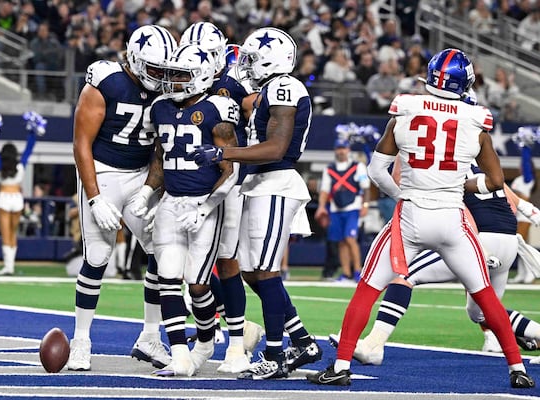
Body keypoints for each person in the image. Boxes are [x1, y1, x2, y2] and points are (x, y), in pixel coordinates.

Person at [306, 48, 535, 389]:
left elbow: (377, 171)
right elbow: (495, 182)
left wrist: (402, 195)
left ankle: (341, 365)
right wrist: (461, 184)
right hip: (453, 218)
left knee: (368, 288)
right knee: (484, 294)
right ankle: (517, 368)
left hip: (411, 215)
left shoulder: (406, 108)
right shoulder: (476, 120)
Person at [191, 27, 322, 380]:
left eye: (251, 57)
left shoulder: (285, 87)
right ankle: (303, 341)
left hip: (276, 182)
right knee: (251, 272)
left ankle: (276, 355)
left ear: (271, 58)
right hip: (260, 183)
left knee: (265, 271)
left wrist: (224, 152)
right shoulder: (268, 90)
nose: (246, 64)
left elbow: (276, 147)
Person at [335, 161, 540, 365]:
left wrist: (479, 244)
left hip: (482, 237)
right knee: (481, 312)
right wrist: (528, 209)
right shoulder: (480, 162)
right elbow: (500, 187)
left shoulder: (448, 164)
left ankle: (373, 345)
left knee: (404, 276)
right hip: (509, 242)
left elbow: (454, 203)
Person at [67, 24, 177, 372]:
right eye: (154, 68)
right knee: (98, 257)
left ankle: (149, 336)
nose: (160, 76)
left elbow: (162, 146)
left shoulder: (167, 90)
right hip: (104, 173)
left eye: (164, 68)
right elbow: (81, 143)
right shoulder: (106, 81)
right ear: (135, 58)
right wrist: (95, 197)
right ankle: (81, 340)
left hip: (142, 176)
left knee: (162, 253)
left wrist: (148, 189)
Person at [135, 43, 240, 377]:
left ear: (202, 76)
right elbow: (160, 157)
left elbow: (232, 168)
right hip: (171, 202)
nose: (173, 82)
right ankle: (179, 355)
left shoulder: (217, 109)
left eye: (181, 75)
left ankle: (206, 341)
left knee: (197, 284)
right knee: (167, 278)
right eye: (172, 75)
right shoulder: (162, 108)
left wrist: (207, 207)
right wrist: (146, 193)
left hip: (204, 204)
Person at [180, 25, 264, 374]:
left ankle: (236, 343)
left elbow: (258, 110)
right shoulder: (186, 87)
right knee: (184, 268)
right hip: (190, 186)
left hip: (228, 183)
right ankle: (228, 329)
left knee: (230, 261)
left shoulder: (232, 86)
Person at [0, 110, 42, 276]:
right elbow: (29, 148)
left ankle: (8, 266)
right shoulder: (20, 165)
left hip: (4, 198)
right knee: (13, 232)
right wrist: (31, 131)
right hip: (17, 199)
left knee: (6, 232)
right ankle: (10, 266)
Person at [315, 133, 370, 283]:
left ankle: (358, 271)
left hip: (353, 207)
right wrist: (321, 207)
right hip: (335, 209)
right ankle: (346, 273)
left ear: (348, 150)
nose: (341, 151)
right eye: (339, 148)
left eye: (343, 148)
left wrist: (365, 205)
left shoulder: (358, 166)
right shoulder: (329, 169)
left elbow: (366, 188)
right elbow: (325, 190)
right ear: (335, 150)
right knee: (340, 241)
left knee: (350, 238)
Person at [509, 128, 537, 284]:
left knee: (522, 246)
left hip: (524, 217)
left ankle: (531, 274)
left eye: (523, 165)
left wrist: (525, 147)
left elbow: (526, 163)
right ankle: (521, 274)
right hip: (517, 216)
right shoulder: (520, 178)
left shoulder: (527, 179)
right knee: (520, 246)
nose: (520, 166)